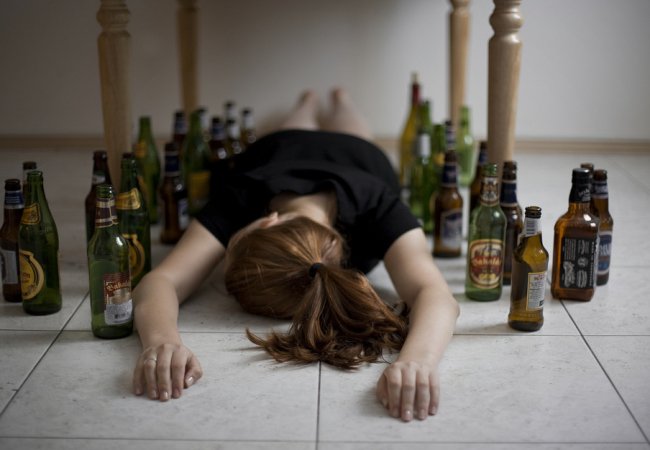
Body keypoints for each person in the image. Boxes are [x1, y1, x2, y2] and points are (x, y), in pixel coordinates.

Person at [131, 88, 459, 422]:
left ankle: (331, 100)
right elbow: (434, 292)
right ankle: (317, 101)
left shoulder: (242, 195)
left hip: (292, 149)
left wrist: (418, 360)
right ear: (268, 222)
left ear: (269, 220)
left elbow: (434, 295)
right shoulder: (374, 205)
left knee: (331, 127)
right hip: (343, 154)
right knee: (342, 129)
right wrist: (161, 341)